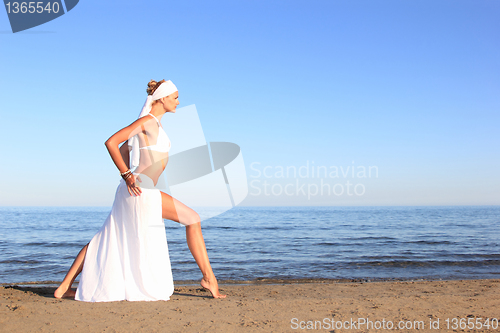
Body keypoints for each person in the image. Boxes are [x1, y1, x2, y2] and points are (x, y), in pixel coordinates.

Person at [54, 79, 226, 301]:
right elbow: (112, 142)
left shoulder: (153, 124)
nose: (178, 101)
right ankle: (209, 279)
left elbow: (126, 149)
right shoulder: (147, 121)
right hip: (141, 191)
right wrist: (127, 175)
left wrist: (131, 174)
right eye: (175, 97)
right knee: (192, 219)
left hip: (140, 190)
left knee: (105, 238)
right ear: (162, 98)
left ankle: (64, 287)